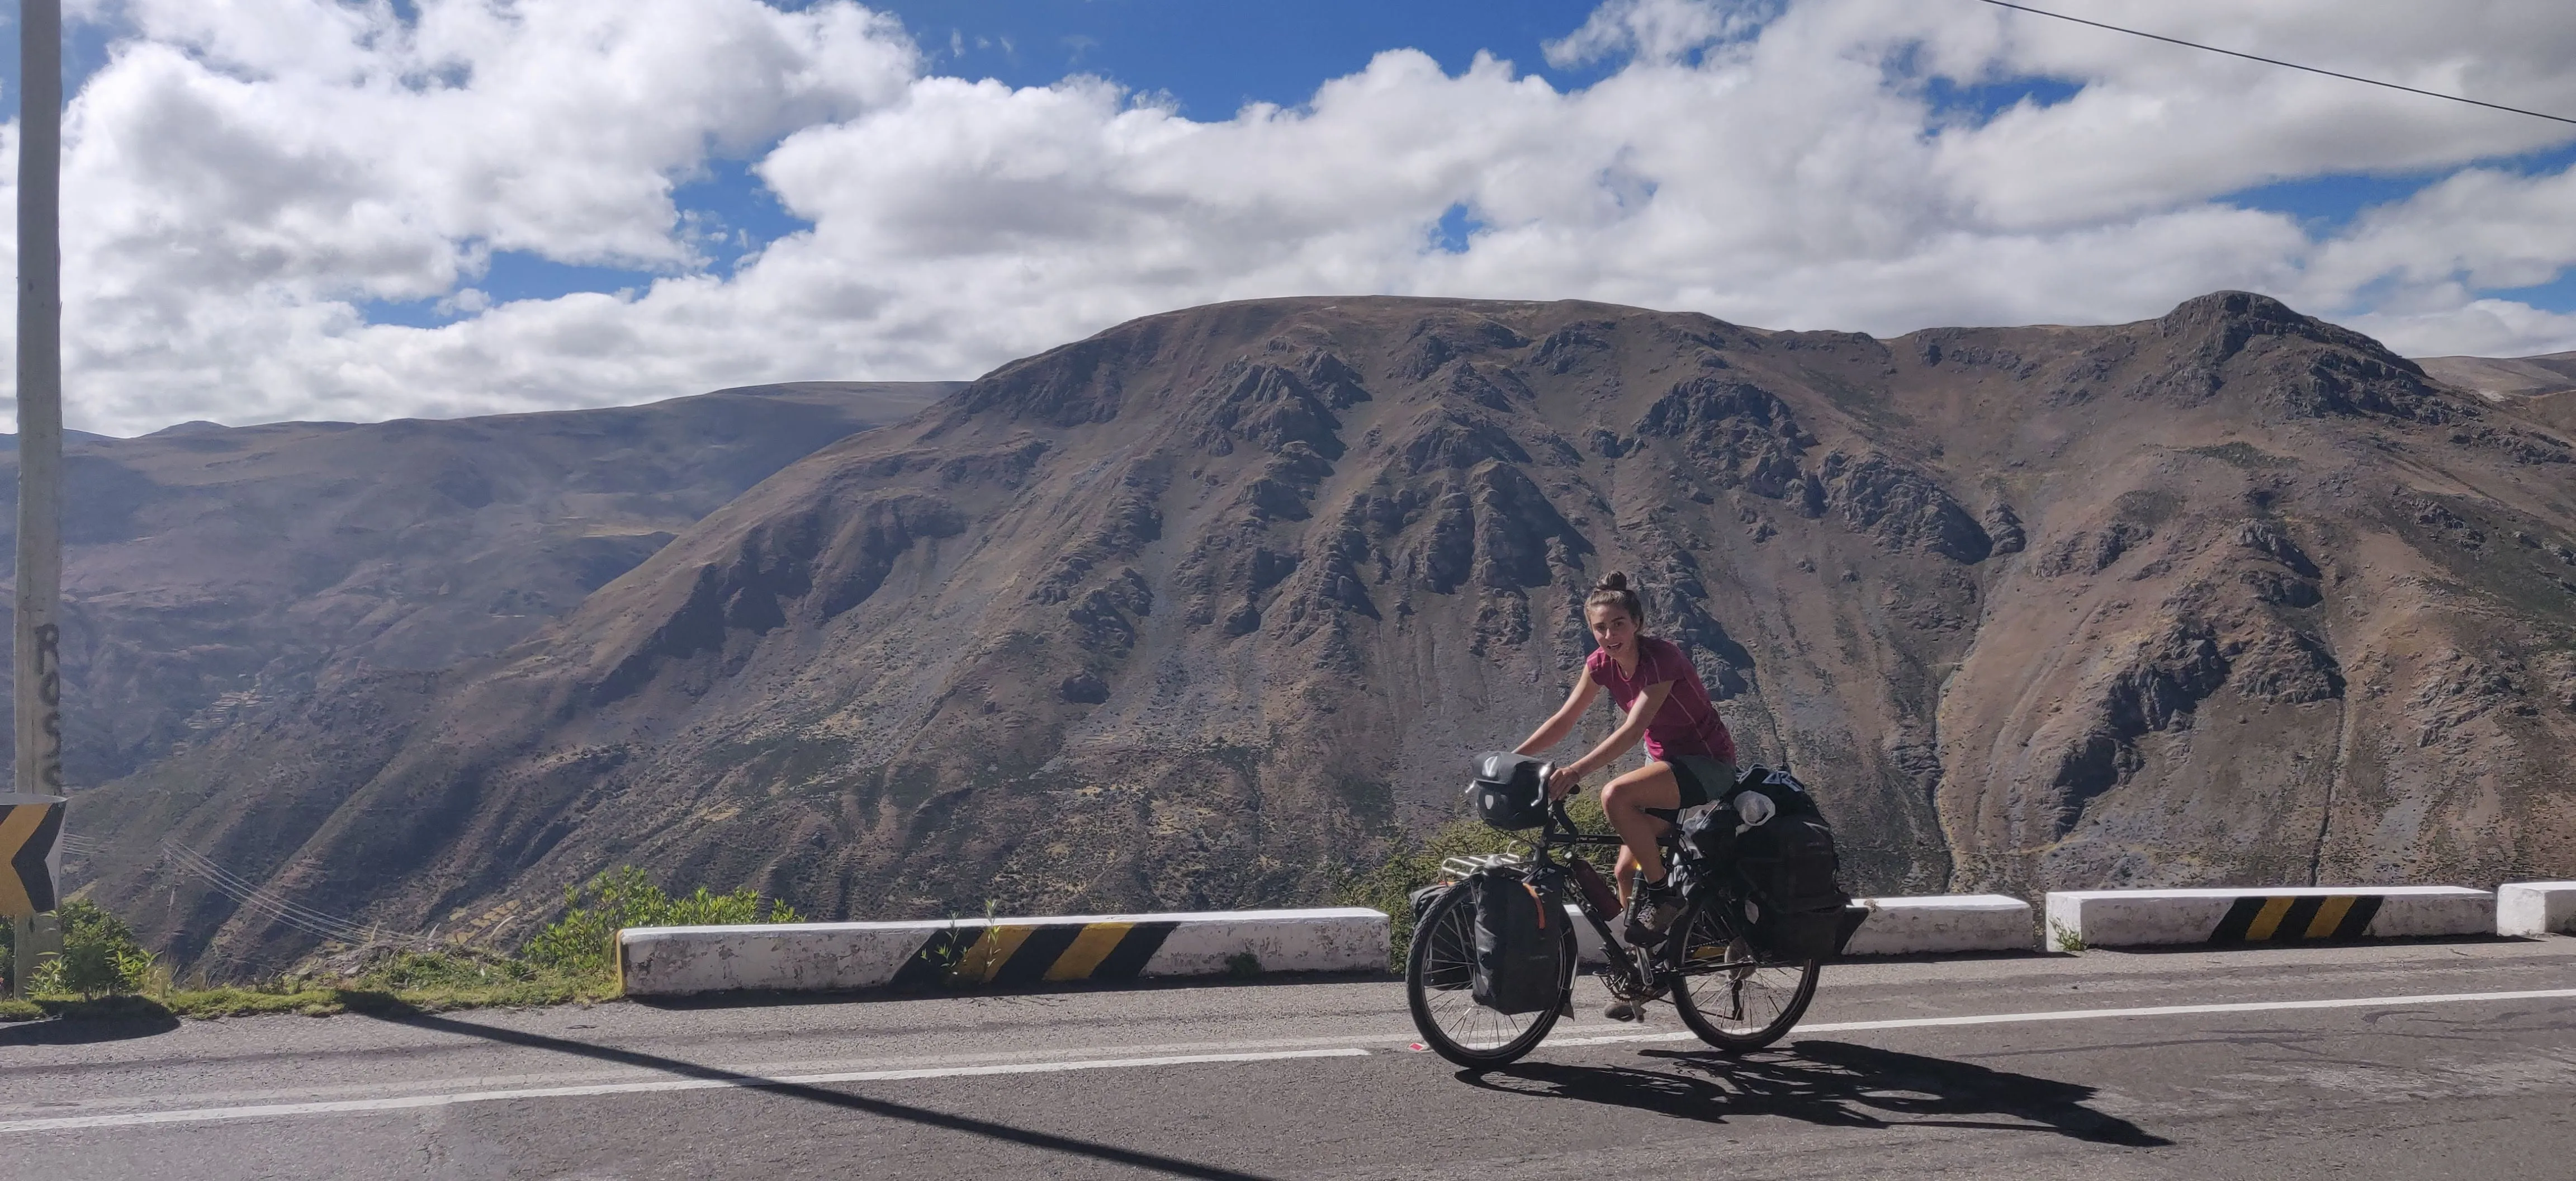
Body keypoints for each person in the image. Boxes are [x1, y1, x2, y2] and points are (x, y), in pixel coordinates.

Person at [1513, 571, 1738, 1015]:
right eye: (1601, 627)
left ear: (1636, 622)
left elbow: (1634, 729)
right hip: (1669, 769)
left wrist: (1576, 769)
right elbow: (1564, 720)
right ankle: (1648, 974)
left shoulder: (1662, 659)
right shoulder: (1600, 664)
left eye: (1618, 624)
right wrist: (1511, 759)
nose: (1610, 635)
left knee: (1616, 796)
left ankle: (1666, 897)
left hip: (1709, 766)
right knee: (1623, 870)